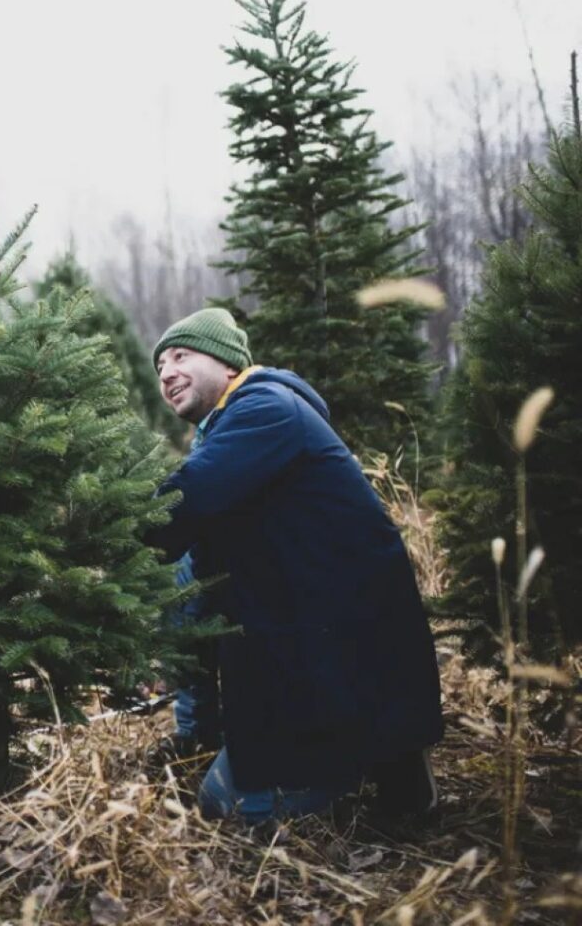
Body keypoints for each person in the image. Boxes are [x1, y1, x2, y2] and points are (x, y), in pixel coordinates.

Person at [145, 308, 442, 823]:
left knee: (229, 806)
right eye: (159, 366)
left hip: (339, 635)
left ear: (227, 362)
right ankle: (329, 761)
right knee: (185, 585)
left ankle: (371, 772)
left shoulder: (266, 406)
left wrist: (105, 537)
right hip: (295, 632)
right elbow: (198, 569)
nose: (166, 372)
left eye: (181, 355)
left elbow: (190, 495)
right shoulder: (227, 427)